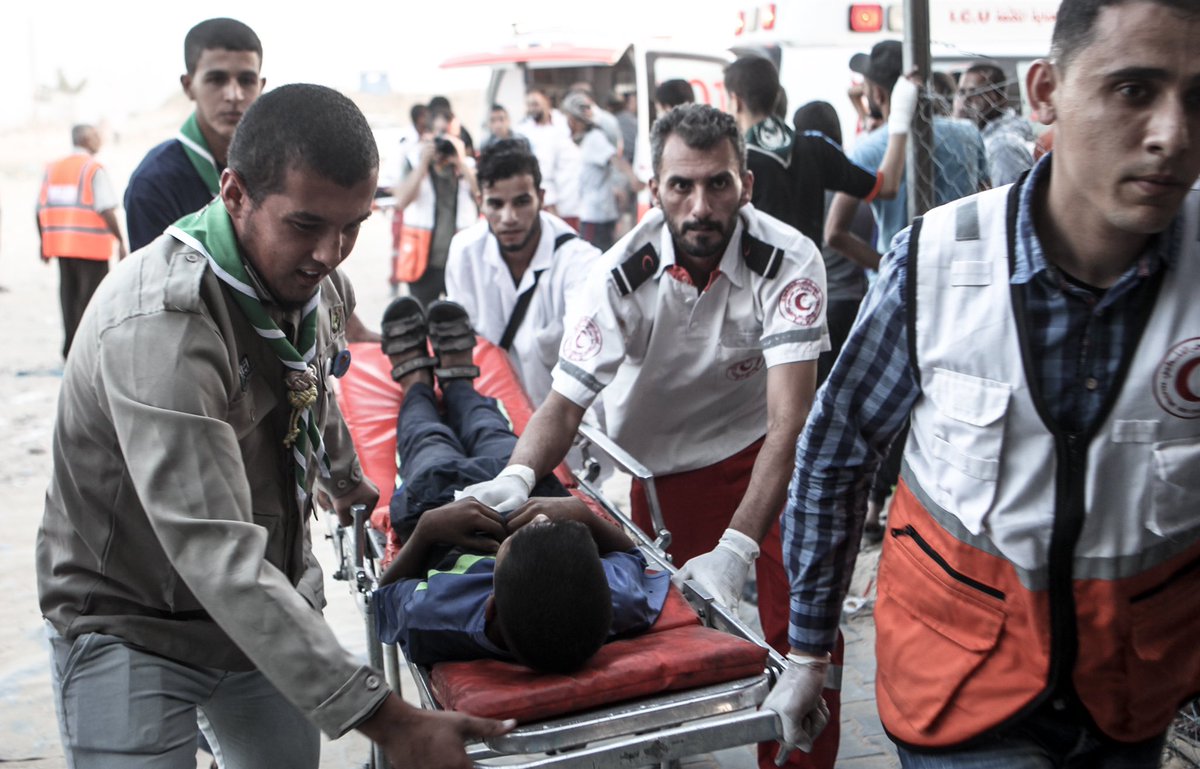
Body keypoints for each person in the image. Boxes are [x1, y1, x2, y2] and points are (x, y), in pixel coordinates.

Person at [36, 83, 511, 769]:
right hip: (129, 621)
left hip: (265, 605)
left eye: (352, 226)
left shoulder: (312, 284)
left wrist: (342, 476)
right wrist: (391, 719)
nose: (330, 252)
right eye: (306, 224)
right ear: (234, 195)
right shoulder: (162, 327)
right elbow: (215, 552)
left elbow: (308, 380)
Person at [775, 1, 1200, 767]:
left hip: (1131, 693)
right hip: (961, 692)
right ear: (1045, 94)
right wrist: (809, 648)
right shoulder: (935, 263)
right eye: (1133, 90)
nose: (1173, 134)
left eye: (1198, 100)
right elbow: (836, 450)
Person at [461, 103, 839, 769]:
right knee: (688, 645)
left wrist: (740, 547)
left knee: (808, 637)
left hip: (768, 455)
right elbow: (564, 403)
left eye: (718, 183)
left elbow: (791, 423)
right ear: (654, 188)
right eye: (681, 185)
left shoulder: (787, 258)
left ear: (745, 184)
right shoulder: (617, 275)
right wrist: (517, 475)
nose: (700, 205)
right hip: (670, 475)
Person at [370, 305, 667, 671]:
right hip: (524, 481)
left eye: (517, 531)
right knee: (489, 426)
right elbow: (633, 561)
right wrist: (580, 515)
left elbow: (383, 598)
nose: (517, 521)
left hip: (437, 503)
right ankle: (458, 384)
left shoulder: (442, 613)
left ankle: (415, 382)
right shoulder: (620, 601)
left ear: (490, 605)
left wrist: (428, 530)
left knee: (422, 436)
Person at [445, 139, 600, 406]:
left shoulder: (580, 262)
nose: (509, 217)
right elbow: (463, 345)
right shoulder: (464, 252)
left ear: (541, 198)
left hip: (565, 431)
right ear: (480, 202)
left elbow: (587, 362)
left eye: (521, 202)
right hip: (494, 420)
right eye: (496, 204)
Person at [124, 18, 264, 252]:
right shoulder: (154, 183)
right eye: (217, 80)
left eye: (246, 80)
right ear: (188, 86)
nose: (234, 94)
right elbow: (154, 284)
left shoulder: (278, 170)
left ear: (261, 86)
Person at [37, 124, 126, 358]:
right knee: (92, 302)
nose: (100, 139)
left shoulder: (53, 168)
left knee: (69, 298)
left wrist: (42, 243)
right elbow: (105, 207)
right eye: (97, 135)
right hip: (91, 248)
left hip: (61, 247)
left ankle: (70, 351)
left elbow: (40, 208)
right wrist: (121, 240)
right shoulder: (92, 169)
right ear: (87, 139)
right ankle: (88, 353)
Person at [394, 107, 480, 306]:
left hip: (460, 262)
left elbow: (482, 197)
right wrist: (422, 165)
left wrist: (461, 163)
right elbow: (402, 201)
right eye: (440, 133)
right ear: (428, 135)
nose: (445, 140)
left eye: (450, 134)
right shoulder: (415, 160)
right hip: (424, 262)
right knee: (422, 319)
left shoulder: (467, 166)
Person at [561, 92, 641, 252]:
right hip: (595, 212)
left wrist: (634, 180)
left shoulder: (594, 139)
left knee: (591, 259)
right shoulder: (587, 140)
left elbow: (615, 160)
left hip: (595, 215)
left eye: (569, 118)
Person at [954, 61, 1037, 186]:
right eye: (961, 92)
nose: (965, 100)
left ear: (1000, 99)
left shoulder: (1002, 147)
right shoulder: (978, 137)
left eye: (975, 92)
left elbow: (1009, 203)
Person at [516, 86, 577, 221]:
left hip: (570, 191)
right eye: (529, 105)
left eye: (536, 104)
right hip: (546, 196)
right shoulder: (523, 131)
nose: (532, 108)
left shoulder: (563, 123)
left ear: (546, 102)